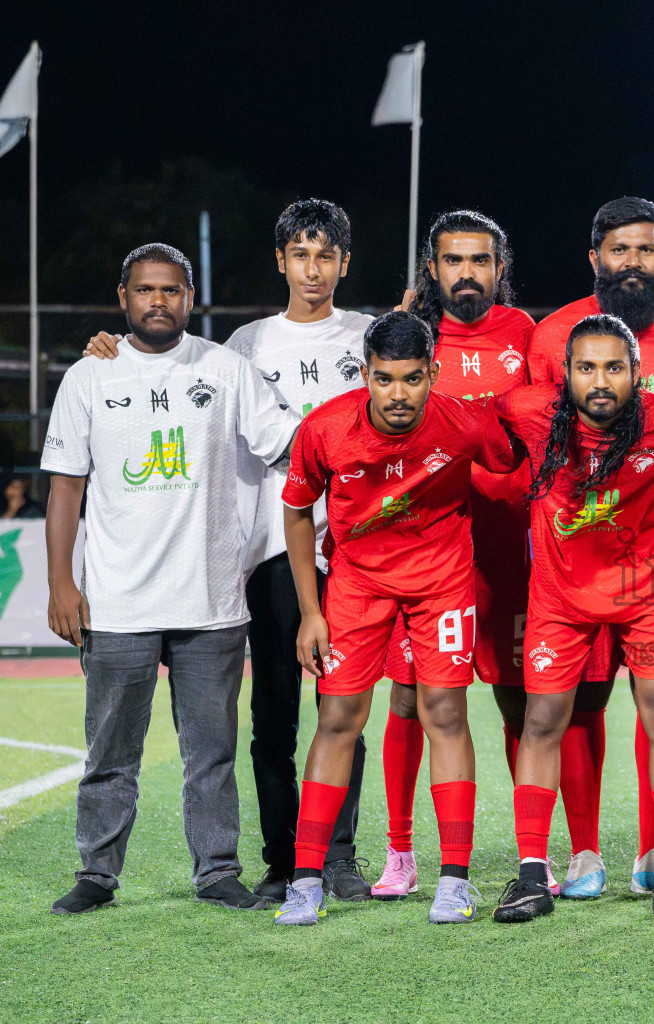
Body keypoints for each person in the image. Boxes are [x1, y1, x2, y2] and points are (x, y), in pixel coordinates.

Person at [79, 200, 376, 902]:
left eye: (326, 254)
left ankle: (337, 855)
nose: (313, 268)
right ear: (281, 261)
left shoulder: (367, 336)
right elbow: (176, 376)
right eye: (300, 254)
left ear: (344, 262)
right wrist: (110, 349)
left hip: (355, 552)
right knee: (274, 715)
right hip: (271, 552)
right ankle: (282, 858)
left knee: (344, 714)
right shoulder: (244, 346)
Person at [44, 244, 298, 914]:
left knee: (210, 754)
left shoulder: (227, 370)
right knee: (110, 754)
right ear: (123, 297)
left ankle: (216, 871)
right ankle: (97, 874)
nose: (158, 302)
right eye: (145, 290)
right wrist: (61, 586)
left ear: (191, 297)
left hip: (212, 602)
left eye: (172, 290)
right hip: (117, 603)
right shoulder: (88, 377)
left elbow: (288, 442)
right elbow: (66, 490)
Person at [272, 310, 515, 926]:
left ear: (434, 373)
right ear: (365, 374)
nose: (398, 395)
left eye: (411, 379)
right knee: (338, 717)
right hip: (357, 585)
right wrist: (310, 611)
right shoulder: (325, 429)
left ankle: (454, 881)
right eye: (384, 380)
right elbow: (298, 513)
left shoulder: (464, 422)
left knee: (443, 713)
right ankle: (306, 881)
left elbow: (516, 457)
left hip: (441, 583)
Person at [490, 315, 654, 924]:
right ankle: (532, 876)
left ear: (637, 374)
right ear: (564, 374)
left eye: (615, 368)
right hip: (561, 597)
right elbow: (470, 432)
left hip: (649, 593)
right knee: (543, 718)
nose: (601, 381)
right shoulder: (527, 411)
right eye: (587, 368)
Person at [525, 197, 654, 897]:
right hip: (575, 555)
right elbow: (532, 439)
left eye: (646, 250)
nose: (633, 263)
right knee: (580, 703)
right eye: (620, 250)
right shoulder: (553, 335)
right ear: (596, 260)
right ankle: (584, 852)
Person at [374, 209, 537, 901]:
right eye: (452, 260)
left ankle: (535, 856)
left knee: (516, 699)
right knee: (410, 699)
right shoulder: (411, 337)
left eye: (479, 260)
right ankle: (401, 852)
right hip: (428, 544)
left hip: (506, 545)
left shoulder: (527, 334)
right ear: (431, 268)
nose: (466, 273)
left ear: (499, 268)